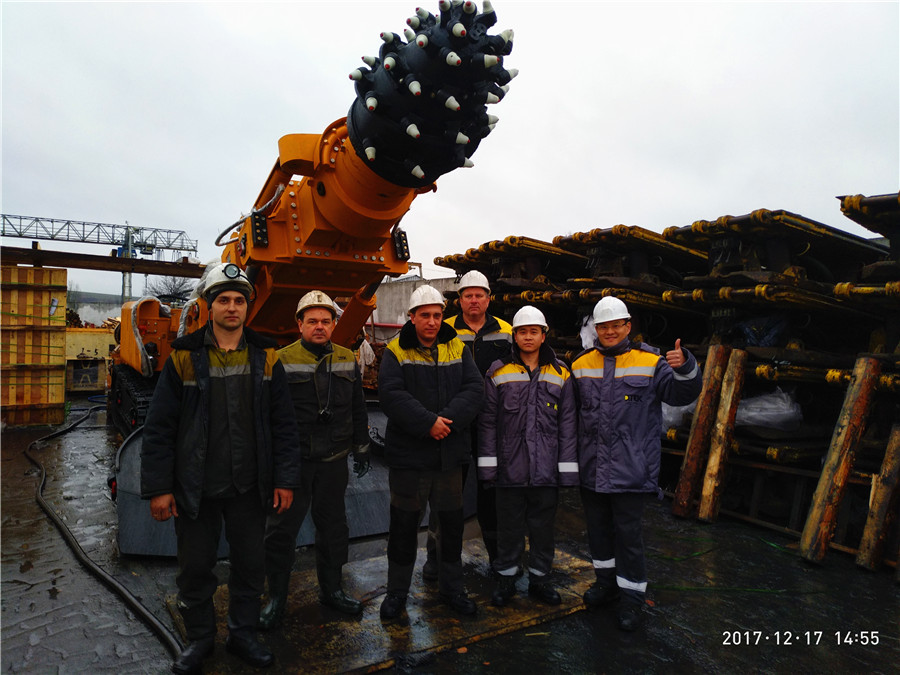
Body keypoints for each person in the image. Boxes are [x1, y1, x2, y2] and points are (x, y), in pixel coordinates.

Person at [141, 262, 300, 673]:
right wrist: (159, 488)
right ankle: (200, 639)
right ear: (208, 306)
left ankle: (242, 635)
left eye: (239, 301)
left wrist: (285, 479)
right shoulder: (184, 357)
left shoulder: (266, 356)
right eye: (224, 300)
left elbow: (283, 424)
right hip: (197, 488)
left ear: (248, 307)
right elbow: (159, 428)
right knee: (195, 568)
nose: (232, 307)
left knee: (250, 565)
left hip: (250, 486)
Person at [572, 296, 701, 631]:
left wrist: (685, 367)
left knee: (628, 536)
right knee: (598, 532)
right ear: (596, 329)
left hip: (630, 470)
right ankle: (605, 584)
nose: (610, 332)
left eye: (616, 325)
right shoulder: (581, 365)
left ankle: (632, 598)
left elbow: (681, 395)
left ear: (628, 326)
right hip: (592, 469)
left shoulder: (650, 362)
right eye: (604, 327)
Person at [259, 291, 370, 629]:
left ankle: (332, 590)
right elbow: (268, 415)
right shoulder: (279, 360)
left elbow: (357, 406)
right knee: (280, 532)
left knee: (334, 528)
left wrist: (361, 446)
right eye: (312, 321)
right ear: (300, 324)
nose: (319, 326)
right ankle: (276, 597)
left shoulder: (347, 358)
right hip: (295, 464)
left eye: (325, 321)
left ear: (334, 324)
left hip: (334, 461)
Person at [377, 284, 484, 620]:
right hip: (410, 459)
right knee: (404, 525)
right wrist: (428, 424)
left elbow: (475, 388)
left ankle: (452, 589)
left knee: (450, 526)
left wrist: (445, 421)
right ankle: (397, 593)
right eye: (425, 315)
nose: (433, 322)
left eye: (437, 315)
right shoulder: (396, 350)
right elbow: (391, 395)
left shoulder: (456, 346)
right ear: (412, 317)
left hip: (448, 458)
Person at [478, 306, 578, 608]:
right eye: (522, 332)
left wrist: (567, 471)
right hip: (510, 469)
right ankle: (506, 579)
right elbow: (487, 424)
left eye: (534, 331)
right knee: (509, 528)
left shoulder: (560, 373)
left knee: (542, 529)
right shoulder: (498, 371)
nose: (528, 337)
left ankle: (540, 580)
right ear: (515, 336)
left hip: (546, 470)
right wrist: (489, 468)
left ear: (543, 335)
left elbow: (568, 425)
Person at [427, 270, 512, 577]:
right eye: (468, 295)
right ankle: (436, 558)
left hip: (492, 426)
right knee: (446, 494)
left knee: (492, 494)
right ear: (459, 300)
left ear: (488, 299)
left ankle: (499, 557)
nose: (474, 300)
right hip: (454, 424)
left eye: (479, 295)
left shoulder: (506, 332)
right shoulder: (444, 329)